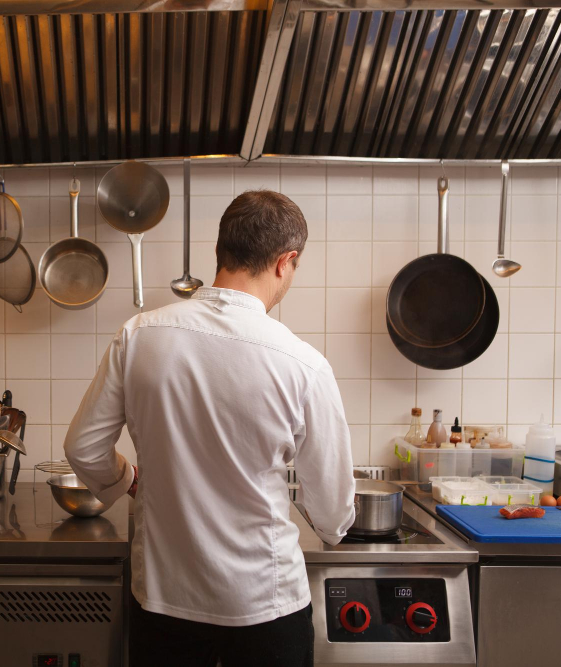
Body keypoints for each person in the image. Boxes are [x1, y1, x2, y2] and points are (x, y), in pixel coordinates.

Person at [63, 189, 356, 666]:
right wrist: (333, 520)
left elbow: (83, 447)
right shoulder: (304, 365)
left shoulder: (139, 336)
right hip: (266, 604)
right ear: (286, 261)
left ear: (221, 251)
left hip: (163, 601)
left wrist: (127, 481)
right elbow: (332, 514)